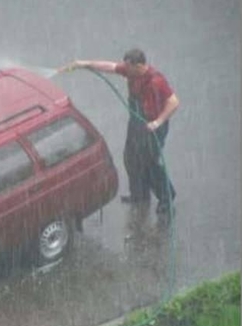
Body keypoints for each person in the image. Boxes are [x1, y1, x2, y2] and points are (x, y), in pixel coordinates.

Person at [64, 48, 180, 214]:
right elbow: (110, 67)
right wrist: (85, 63)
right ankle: (139, 195)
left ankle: (167, 199)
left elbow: (174, 102)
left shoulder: (156, 80)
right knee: (131, 159)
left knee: (150, 164)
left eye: (128, 67)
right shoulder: (131, 71)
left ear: (138, 65)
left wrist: (157, 122)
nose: (125, 69)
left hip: (153, 126)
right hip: (137, 123)